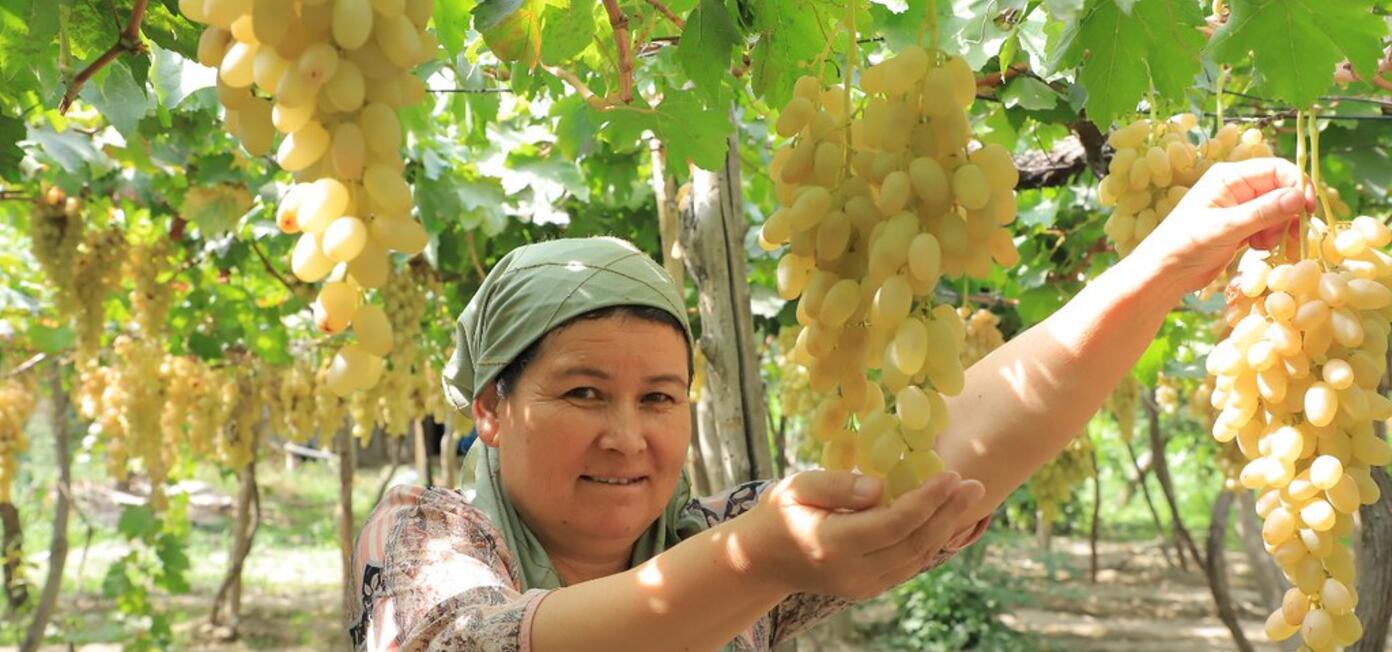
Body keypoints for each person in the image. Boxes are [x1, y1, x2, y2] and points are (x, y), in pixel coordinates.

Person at [347, 158, 1314, 651]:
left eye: (661, 397)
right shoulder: (423, 532)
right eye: (583, 392)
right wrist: (761, 556)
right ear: (489, 409)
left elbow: (960, 441)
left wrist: (1159, 267)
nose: (628, 435)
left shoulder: (712, 542)